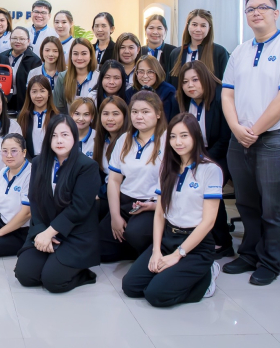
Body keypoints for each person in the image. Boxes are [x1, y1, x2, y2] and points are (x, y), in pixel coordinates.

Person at [221, 0, 280, 286]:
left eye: (262, 7)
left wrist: (253, 131)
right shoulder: (240, 51)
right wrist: (236, 128)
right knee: (246, 203)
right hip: (240, 136)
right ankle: (248, 254)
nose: (256, 12)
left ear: (275, 13)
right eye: (250, 9)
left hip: (276, 137)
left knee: (273, 206)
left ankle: (270, 262)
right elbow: (227, 93)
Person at [122, 113, 222, 306]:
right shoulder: (167, 168)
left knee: (156, 295)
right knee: (131, 287)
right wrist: (156, 251)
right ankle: (173, 275)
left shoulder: (211, 170)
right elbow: (160, 213)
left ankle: (207, 277)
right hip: (169, 237)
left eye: (184, 136)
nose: (178, 142)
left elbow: (208, 222)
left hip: (196, 245)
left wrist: (177, 255)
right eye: (173, 137)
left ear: (195, 137)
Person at [14, 114, 99, 293]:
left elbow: (79, 208)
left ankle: (83, 273)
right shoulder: (38, 162)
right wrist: (42, 232)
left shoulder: (87, 166)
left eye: (65, 135)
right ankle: (52, 259)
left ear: (74, 137)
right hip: (45, 229)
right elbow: (34, 200)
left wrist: (50, 233)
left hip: (75, 233)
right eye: (54, 135)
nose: (59, 140)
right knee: (25, 276)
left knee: (53, 282)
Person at [99, 91, 167, 262]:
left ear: (158, 114)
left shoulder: (168, 140)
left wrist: (154, 206)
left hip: (152, 205)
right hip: (126, 202)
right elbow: (114, 180)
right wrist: (115, 216)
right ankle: (133, 249)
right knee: (99, 250)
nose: (139, 116)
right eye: (135, 112)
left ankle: (152, 249)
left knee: (135, 234)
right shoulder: (124, 139)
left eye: (145, 112)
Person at [178, 60, 234, 258]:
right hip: (194, 154)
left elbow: (226, 138)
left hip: (220, 155)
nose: (190, 85)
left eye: (195, 80)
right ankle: (195, 237)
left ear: (206, 79)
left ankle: (223, 242)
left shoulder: (219, 98)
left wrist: (203, 161)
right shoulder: (184, 102)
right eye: (185, 82)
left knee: (206, 189)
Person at [168, 9, 230, 88]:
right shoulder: (175, 53)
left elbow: (226, 84)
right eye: (194, 25)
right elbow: (170, 85)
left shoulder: (219, 52)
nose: (198, 29)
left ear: (209, 28)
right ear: (188, 26)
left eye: (203, 26)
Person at [92, 96, 129, 208]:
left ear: (125, 116)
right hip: (106, 192)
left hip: (123, 196)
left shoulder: (129, 141)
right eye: (105, 114)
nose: (110, 118)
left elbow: (123, 179)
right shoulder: (101, 140)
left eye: (115, 114)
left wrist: (99, 193)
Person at [17, 76, 59, 158]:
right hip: (29, 162)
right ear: (29, 94)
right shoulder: (23, 117)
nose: (38, 95)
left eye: (42, 91)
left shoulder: (57, 116)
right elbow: (20, 144)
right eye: (34, 91)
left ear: (49, 93)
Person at [127, 55, 179, 122]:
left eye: (150, 72)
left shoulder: (169, 92)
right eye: (141, 72)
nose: (145, 76)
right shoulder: (130, 92)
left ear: (157, 72)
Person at [53, 38, 98, 114]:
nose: (79, 58)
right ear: (71, 56)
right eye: (75, 54)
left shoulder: (98, 78)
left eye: (84, 53)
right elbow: (58, 109)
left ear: (90, 55)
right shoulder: (62, 77)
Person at [4, 26, 42, 113]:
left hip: (24, 103)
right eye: (14, 38)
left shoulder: (34, 60)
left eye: (22, 39)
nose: (18, 41)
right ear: (10, 39)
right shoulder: (2, 56)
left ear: (28, 41)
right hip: (4, 101)